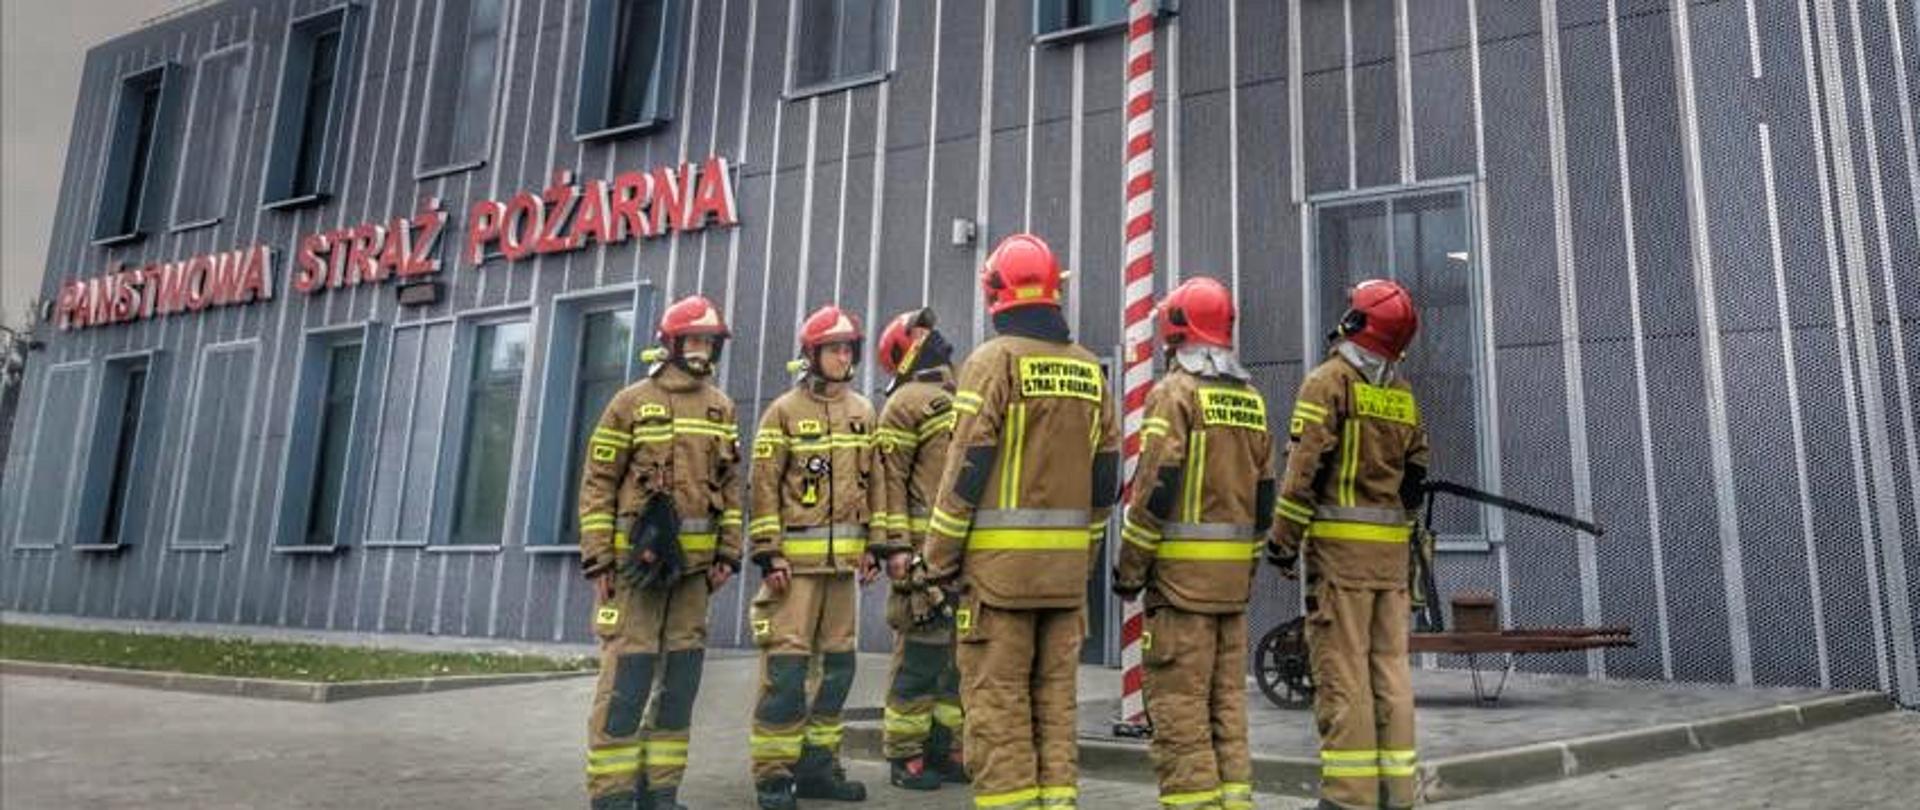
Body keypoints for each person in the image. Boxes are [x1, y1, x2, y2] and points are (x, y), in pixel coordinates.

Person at [923, 233, 1121, 810]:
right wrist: (1081, 555)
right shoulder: (1089, 369)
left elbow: (965, 470)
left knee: (998, 706)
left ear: (995, 292)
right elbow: (1107, 480)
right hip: (1064, 581)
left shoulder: (992, 362)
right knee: (1055, 706)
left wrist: (937, 560)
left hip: (997, 581)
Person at [1266, 279, 1430, 810]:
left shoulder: (1328, 382)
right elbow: (1416, 475)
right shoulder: (1402, 395)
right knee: (1390, 672)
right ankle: (1397, 794)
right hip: (1390, 562)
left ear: (1357, 323)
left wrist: (1282, 545)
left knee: (1343, 676)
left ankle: (1349, 797)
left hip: (1340, 562)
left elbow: (1302, 473)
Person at [577, 295, 744, 810]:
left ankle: (661, 791)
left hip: (695, 578)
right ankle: (612, 794)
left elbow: (732, 487)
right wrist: (600, 558)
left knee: (681, 682)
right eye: (693, 340)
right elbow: (598, 483)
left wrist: (728, 554)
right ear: (669, 344)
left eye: (708, 341)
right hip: (638, 575)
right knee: (627, 678)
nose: (701, 350)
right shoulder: (628, 403)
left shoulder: (722, 407)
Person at [1112, 277, 1273, 810]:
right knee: (1227, 707)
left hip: (1180, 591)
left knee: (1180, 713)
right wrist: (1245, 572)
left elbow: (1155, 489)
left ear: (1175, 328)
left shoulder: (1174, 394)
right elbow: (1265, 500)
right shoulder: (1251, 399)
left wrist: (1129, 569)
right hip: (1231, 591)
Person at [747, 305, 883, 809]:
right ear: (812, 354)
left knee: (837, 672)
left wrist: (874, 544)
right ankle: (773, 777)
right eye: (834, 348)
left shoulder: (863, 412)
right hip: (794, 575)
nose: (843, 356)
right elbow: (761, 488)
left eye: (849, 348)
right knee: (785, 676)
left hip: (843, 573)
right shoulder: (783, 412)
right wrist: (769, 553)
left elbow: (878, 485)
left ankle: (818, 769)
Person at [870, 307, 967, 790]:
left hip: (963, 554)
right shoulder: (903, 405)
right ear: (905, 348)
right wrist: (894, 549)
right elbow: (888, 481)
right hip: (922, 556)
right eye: (921, 331)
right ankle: (904, 756)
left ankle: (943, 748)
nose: (933, 334)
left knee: (956, 663)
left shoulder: (963, 395)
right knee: (919, 658)